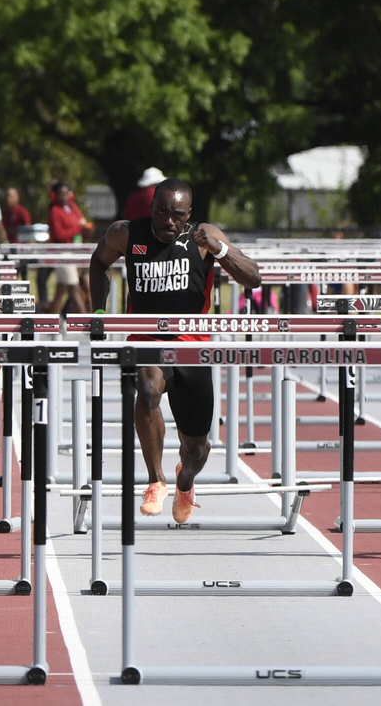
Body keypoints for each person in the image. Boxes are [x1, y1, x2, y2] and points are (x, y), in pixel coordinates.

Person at [89, 179, 261, 523]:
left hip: (193, 349)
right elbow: (99, 262)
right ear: (151, 208)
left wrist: (219, 250)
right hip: (147, 340)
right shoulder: (127, 233)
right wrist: (98, 311)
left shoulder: (204, 235)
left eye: (177, 215)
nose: (169, 221)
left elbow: (253, 278)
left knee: (196, 449)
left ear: (189, 214)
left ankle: (185, 480)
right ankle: (156, 480)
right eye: (162, 212)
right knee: (147, 389)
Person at [46, 182, 93, 314]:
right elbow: (59, 234)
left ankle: (52, 320)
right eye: (61, 194)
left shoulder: (72, 207)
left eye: (66, 193)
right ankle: (85, 320)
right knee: (73, 285)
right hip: (61, 251)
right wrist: (79, 227)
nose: (64, 197)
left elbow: (81, 225)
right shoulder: (54, 211)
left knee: (61, 288)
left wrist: (87, 230)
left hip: (75, 249)